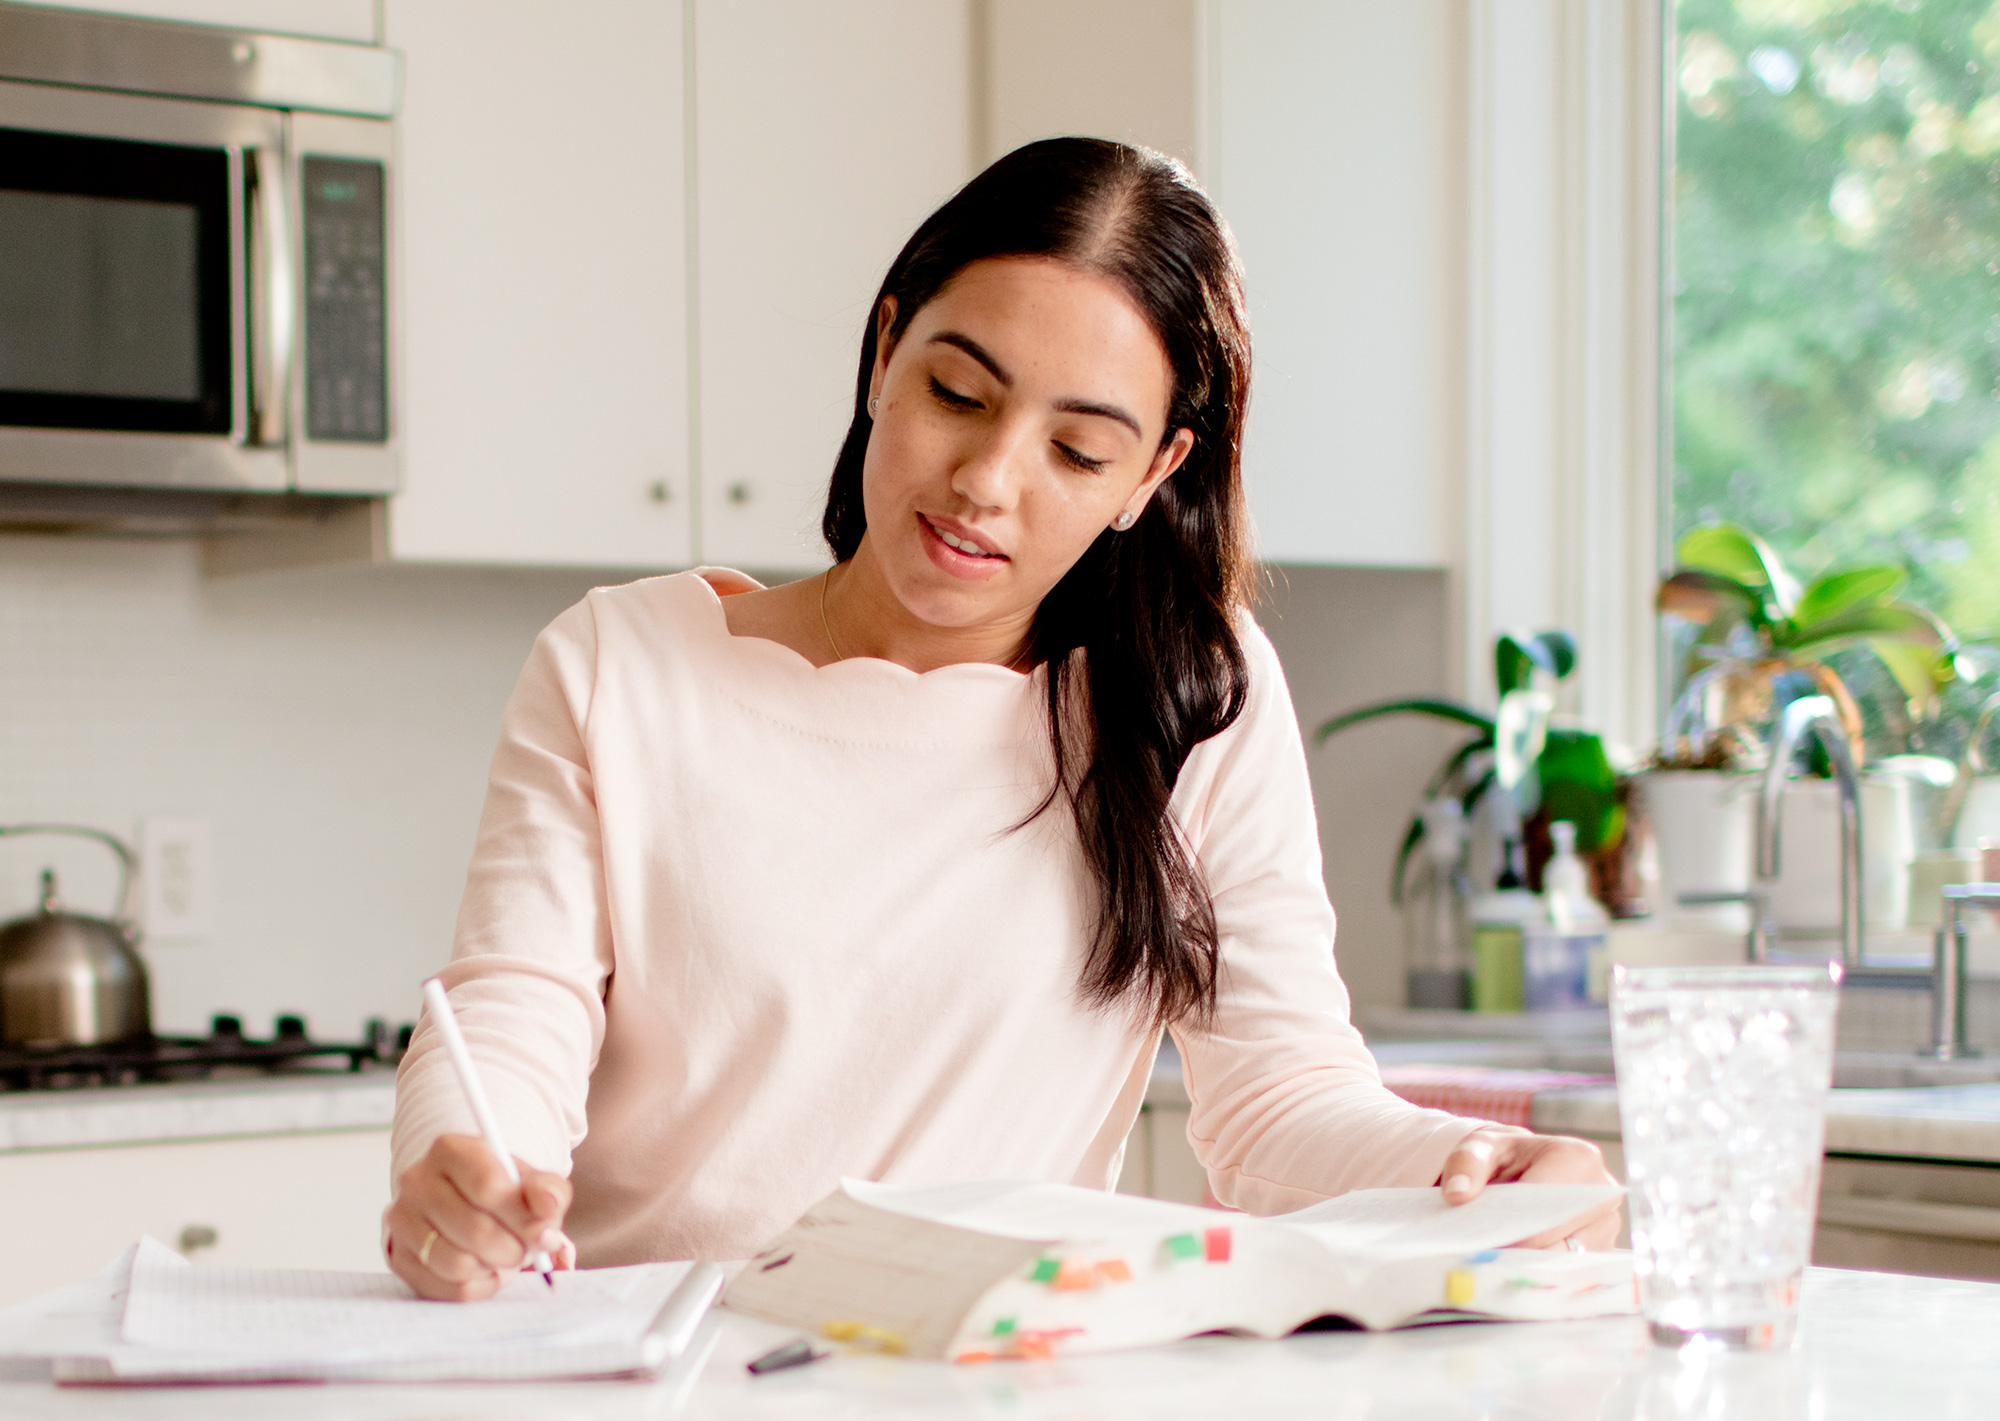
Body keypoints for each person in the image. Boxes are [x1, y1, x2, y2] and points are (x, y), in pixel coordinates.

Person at [384, 138, 1618, 1301]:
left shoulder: (1186, 699)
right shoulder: (624, 665)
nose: (987, 480)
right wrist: (461, 1164)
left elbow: (1276, 1103)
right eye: (958, 393)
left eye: (1077, 451)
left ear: (1150, 477)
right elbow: (511, 1009)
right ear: (883, 352)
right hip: (648, 1398)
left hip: (982, 1411)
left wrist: (1472, 1168)